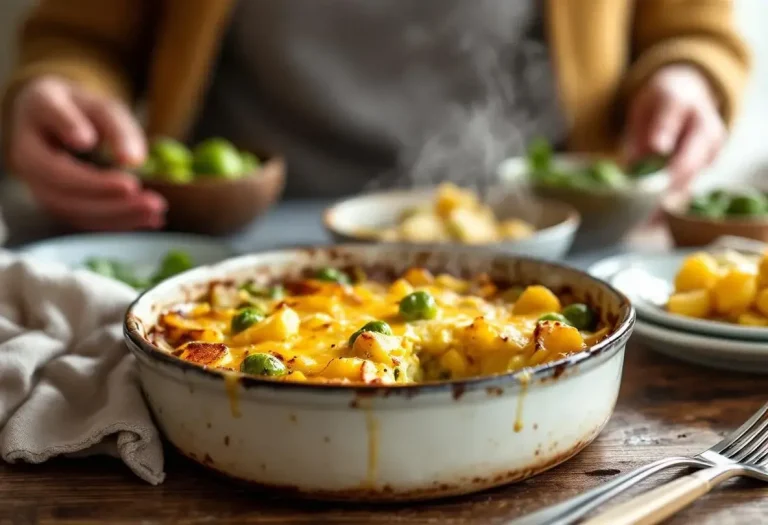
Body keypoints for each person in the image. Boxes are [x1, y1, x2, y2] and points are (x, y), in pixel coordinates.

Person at [0, 0, 751, 232]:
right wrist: (54, 92)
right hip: (225, 242)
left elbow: (689, 27)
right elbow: (77, 35)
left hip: (549, 237)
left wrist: (689, 76)